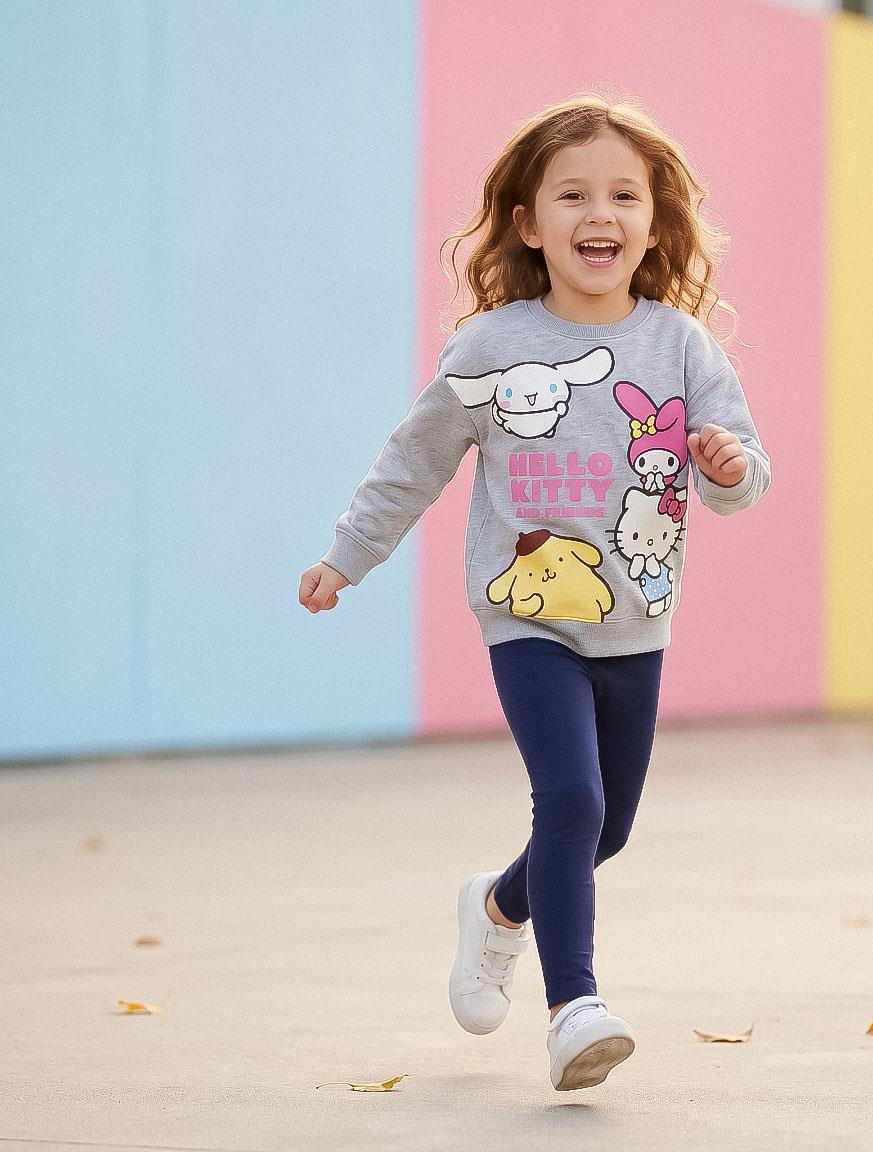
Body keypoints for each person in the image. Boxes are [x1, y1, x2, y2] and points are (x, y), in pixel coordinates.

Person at [298, 94, 771, 1092]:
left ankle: (499, 908)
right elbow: (415, 461)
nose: (600, 214)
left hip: (635, 623)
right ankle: (574, 1008)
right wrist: (349, 555)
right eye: (572, 195)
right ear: (527, 223)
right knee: (570, 799)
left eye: (624, 196)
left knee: (609, 828)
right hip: (525, 618)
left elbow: (741, 474)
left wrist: (729, 467)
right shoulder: (490, 348)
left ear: (655, 224)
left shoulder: (682, 347)